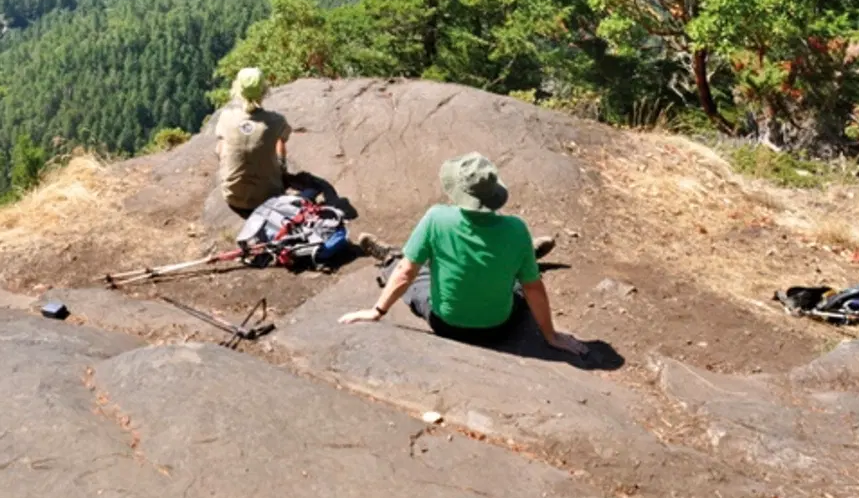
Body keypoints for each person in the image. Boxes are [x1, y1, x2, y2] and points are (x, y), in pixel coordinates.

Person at [339, 153, 587, 356]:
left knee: (410, 269)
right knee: (518, 282)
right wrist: (550, 336)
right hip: (498, 328)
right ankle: (527, 257)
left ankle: (390, 257)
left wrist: (377, 312)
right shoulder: (516, 228)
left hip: (446, 324)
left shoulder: (436, 218)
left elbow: (407, 273)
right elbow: (534, 289)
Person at [215, 68, 292, 217]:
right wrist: (281, 165)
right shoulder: (276, 121)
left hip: (232, 197)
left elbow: (220, 149)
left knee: (222, 144)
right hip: (268, 197)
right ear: (264, 91)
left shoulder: (226, 118)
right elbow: (283, 139)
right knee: (277, 145)